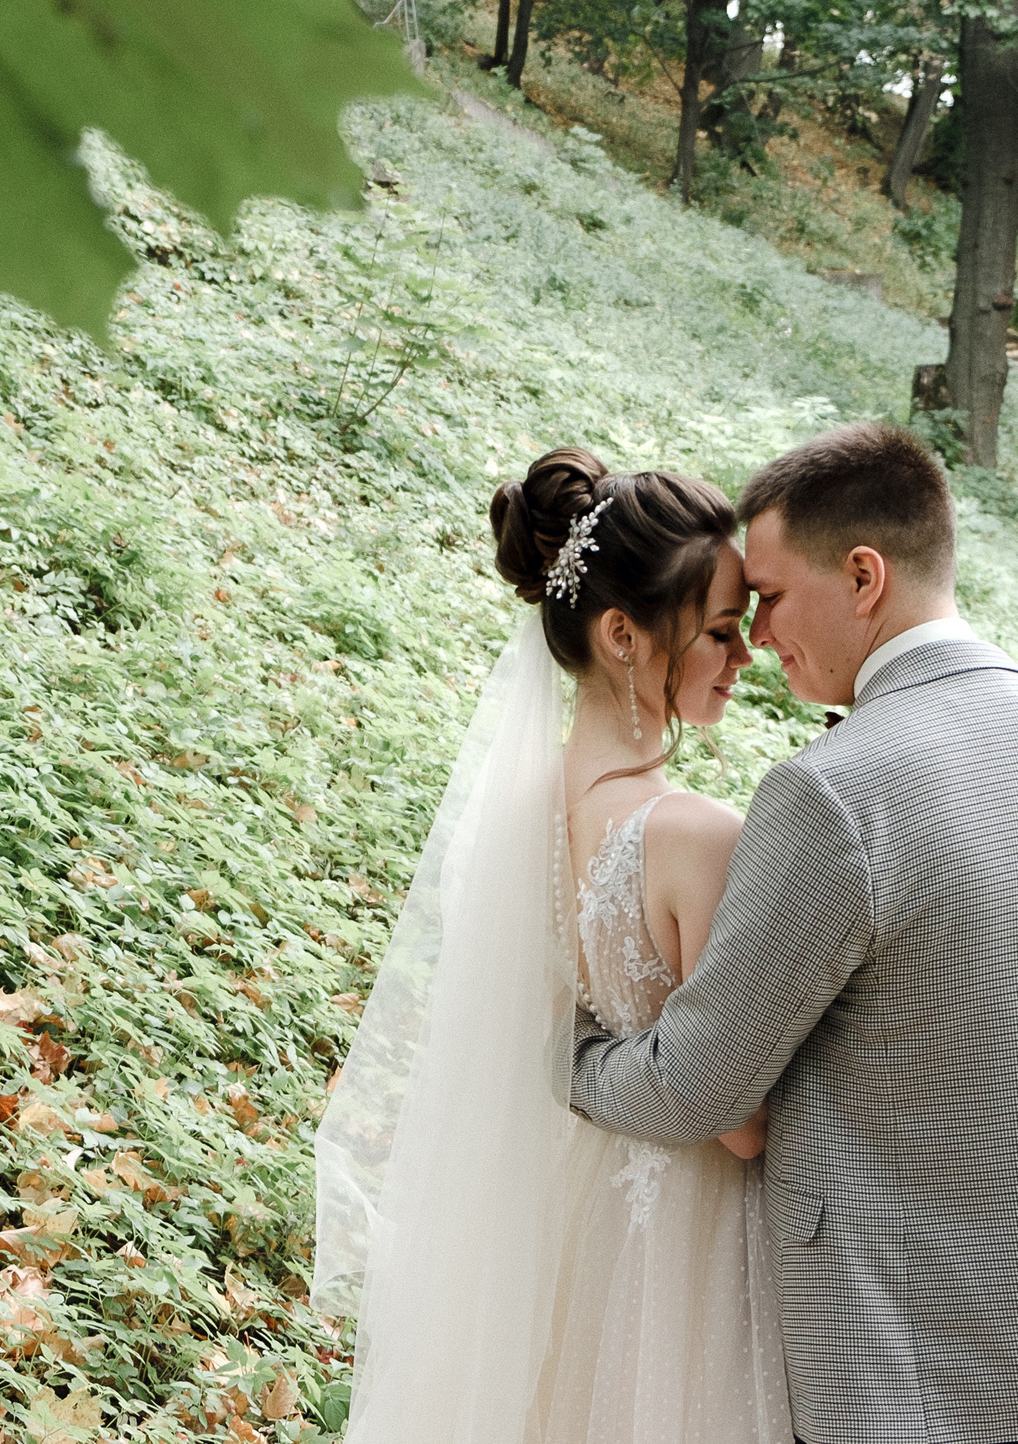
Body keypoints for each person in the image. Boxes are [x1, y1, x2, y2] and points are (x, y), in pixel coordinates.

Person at [568, 420, 1018, 1444]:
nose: (759, 633)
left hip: (907, 1369)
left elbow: (698, 1084)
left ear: (864, 575)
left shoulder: (834, 794)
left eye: (774, 596)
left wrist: (569, 1059)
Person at [313, 447, 795, 1444]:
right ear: (624, 634)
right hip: (680, 1244)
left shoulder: (519, 809)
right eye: (718, 631)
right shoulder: (694, 835)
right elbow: (740, 1122)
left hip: (560, 1219)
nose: (745, 657)